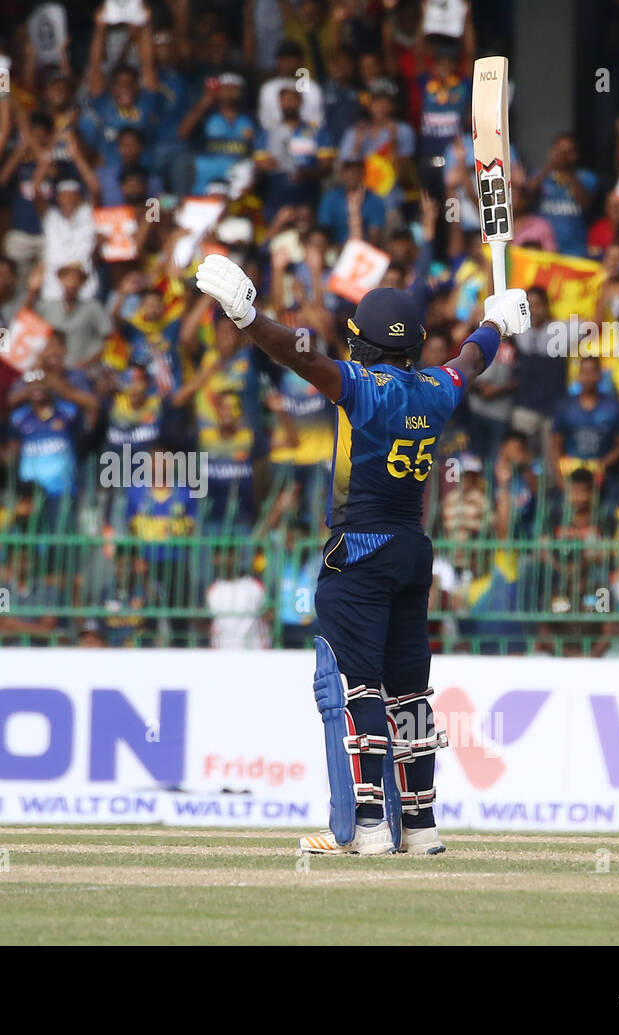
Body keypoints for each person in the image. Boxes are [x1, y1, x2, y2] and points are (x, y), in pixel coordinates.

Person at [195, 252, 530, 855]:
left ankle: (370, 825)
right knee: (410, 693)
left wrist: (247, 317)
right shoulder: (436, 389)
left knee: (358, 689)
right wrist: (496, 325)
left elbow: (301, 357)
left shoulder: (364, 390)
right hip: (413, 552)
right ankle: (422, 827)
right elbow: (470, 360)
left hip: (360, 548)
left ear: (367, 347)